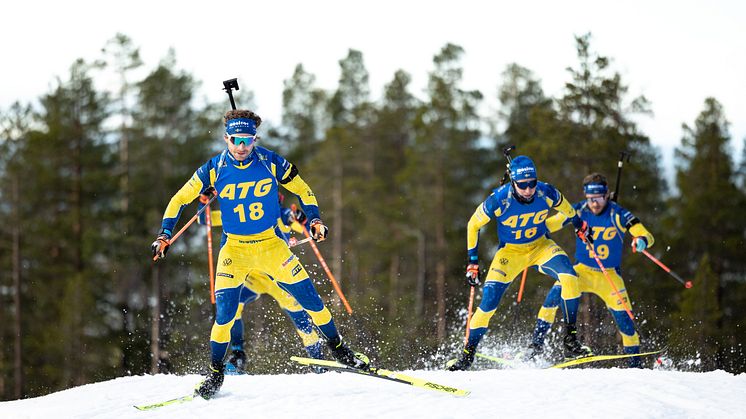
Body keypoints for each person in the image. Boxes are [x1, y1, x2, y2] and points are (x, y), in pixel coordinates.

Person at [151, 109, 367, 399]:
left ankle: (339, 349)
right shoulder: (213, 169)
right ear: (226, 138)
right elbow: (179, 200)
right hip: (235, 252)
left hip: (272, 247)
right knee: (224, 317)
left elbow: (303, 190)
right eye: (236, 140)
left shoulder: (270, 161)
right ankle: (216, 373)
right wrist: (165, 234)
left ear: (255, 138)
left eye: (248, 140)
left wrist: (314, 219)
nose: (242, 147)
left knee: (312, 303)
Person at [447, 155, 593, 371]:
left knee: (570, 278)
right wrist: (473, 262)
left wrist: (579, 225)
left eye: (532, 183)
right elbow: (473, 225)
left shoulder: (546, 192)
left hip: (540, 246)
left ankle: (570, 340)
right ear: (513, 182)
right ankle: (467, 356)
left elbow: (569, 210)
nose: (528, 189)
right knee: (487, 305)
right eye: (522, 185)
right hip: (510, 254)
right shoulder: (499, 199)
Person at [530, 172, 655, 367]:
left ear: (606, 195)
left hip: (609, 276)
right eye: (590, 199)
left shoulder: (618, 214)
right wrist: (534, 228)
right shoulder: (579, 210)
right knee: (552, 298)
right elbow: (550, 225)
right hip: (581, 272)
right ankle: (535, 349)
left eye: (597, 199)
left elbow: (644, 233)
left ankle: (635, 365)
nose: (594, 204)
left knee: (627, 325)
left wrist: (641, 240)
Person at [197, 197, 323, 374]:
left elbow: (302, 225)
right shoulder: (238, 213)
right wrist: (203, 201)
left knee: (300, 316)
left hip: (277, 278)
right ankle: (237, 356)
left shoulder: (280, 213)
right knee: (233, 308)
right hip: (253, 277)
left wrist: (303, 219)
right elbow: (204, 219)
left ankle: (318, 360)